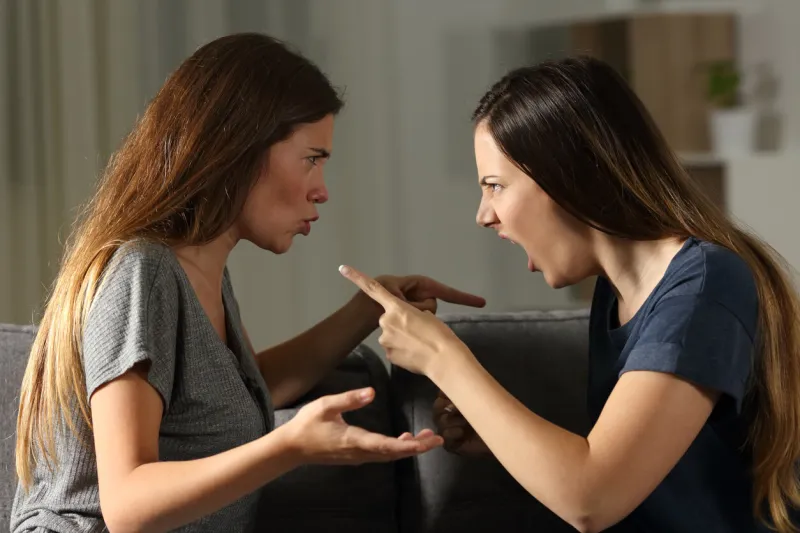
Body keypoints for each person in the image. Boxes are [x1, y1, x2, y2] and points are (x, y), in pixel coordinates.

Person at [11, 33, 487, 533]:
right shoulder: (143, 272)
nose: (321, 190)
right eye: (311, 158)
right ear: (239, 149)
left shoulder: (202, 273)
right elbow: (129, 506)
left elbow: (233, 399)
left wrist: (366, 310)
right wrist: (287, 447)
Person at [339, 56, 800, 533]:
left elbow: (591, 498)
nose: (485, 215)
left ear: (569, 176)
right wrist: (499, 432)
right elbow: (626, 468)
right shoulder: (617, 294)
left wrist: (442, 356)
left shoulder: (704, 286)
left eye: (495, 186)